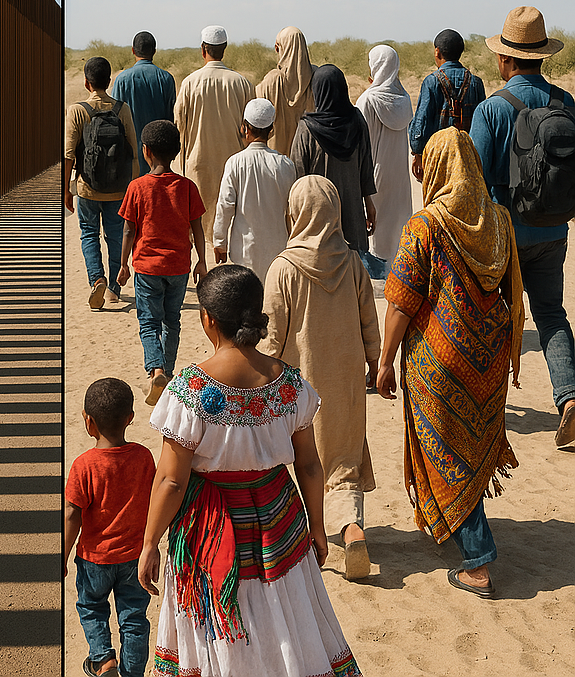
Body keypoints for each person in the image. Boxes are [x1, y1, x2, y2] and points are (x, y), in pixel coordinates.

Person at [138, 265, 361, 677]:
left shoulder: (189, 389)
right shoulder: (291, 385)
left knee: (222, 629)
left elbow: (171, 479)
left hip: (207, 530)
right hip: (281, 523)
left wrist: (150, 541)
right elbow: (309, 465)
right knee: (284, 614)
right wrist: (316, 526)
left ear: (208, 318)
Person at [377, 128, 524, 597]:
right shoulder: (499, 220)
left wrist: (383, 360)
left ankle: (477, 559)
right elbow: (512, 292)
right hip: (489, 356)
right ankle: (457, 523)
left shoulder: (425, 226)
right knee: (473, 438)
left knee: (446, 447)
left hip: (438, 360)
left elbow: (400, 301)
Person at [260, 175, 381, 581]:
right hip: (346, 381)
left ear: (294, 212)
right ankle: (351, 528)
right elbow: (369, 319)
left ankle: (306, 534)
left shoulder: (283, 268)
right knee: (344, 458)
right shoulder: (352, 263)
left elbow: (272, 335)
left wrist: (258, 374)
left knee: (303, 459)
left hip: (298, 387)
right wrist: (376, 361)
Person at [469, 5, 575, 448]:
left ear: (505, 59)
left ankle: (487, 409)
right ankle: (569, 398)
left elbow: (472, 179)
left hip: (504, 234)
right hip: (553, 230)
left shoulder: (492, 109)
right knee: (551, 314)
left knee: (492, 317)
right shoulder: (565, 103)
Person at [65, 377, 157, 677]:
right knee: (134, 620)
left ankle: (104, 659)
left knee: (92, 608)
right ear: (130, 418)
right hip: (134, 557)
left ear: (87, 422)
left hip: (95, 559)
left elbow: (71, 515)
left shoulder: (84, 465)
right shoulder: (144, 457)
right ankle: (132, 674)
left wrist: (62, 556)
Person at [118, 121, 208, 405]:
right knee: (172, 320)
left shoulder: (137, 187)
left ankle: (155, 369)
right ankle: (166, 372)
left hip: (147, 267)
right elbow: (197, 228)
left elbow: (129, 230)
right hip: (179, 266)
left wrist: (122, 264)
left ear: (146, 152)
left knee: (148, 322)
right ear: (176, 151)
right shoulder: (187, 187)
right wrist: (202, 261)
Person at [65, 57, 140, 310]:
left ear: (86, 83)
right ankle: (114, 289)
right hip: (118, 188)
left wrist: (66, 189)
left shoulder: (78, 110)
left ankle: (96, 278)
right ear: (109, 81)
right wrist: (133, 187)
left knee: (89, 233)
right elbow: (133, 151)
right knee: (116, 234)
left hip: (87, 187)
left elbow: (67, 154)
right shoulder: (122, 109)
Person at [173, 25, 254, 245]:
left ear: (202, 49)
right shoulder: (242, 83)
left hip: (198, 164)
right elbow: (251, 127)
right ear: (224, 49)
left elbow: (179, 123)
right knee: (231, 219)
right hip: (234, 163)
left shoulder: (190, 83)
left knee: (199, 221)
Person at [290, 64, 377, 257]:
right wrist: (368, 202)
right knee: (354, 267)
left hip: (318, 213)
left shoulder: (307, 129)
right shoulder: (357, 121)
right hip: (353, 210)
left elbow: (298, 175)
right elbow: (366, 166)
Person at [213, 97, 296, 281]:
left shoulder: (235, 162)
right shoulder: (285, 164)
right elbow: (292, 210)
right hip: (278, 248)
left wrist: (220, 242)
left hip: (244, 249)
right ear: (271, 130)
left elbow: (225, 206)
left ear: (245, 128)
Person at [355, 45, 414, 277]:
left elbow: (361, 143)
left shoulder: (368, 100)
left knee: (377, 232)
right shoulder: (405, 99)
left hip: (375, 174)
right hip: (399, 174)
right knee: (397, 231)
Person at [408, 28, 485, 182]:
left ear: (437, 52)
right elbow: (482, 124)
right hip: (467, 157)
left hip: (439, 157)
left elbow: (421, 121)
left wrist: (417, 153)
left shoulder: (431, 81)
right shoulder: (476, 82)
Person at [111, 31, 177, 177]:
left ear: (133, 50)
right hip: (160, 157)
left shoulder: (122, 79)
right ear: (154, 51)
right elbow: (171, 118)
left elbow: (115, 119)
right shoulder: (167, 79)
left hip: (130, 156)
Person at [255, 26, 315, 156]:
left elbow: (255, 116)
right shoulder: (316, 77)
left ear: (280, 48)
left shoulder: (272, 81)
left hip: (276, 159)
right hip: (308, 156)